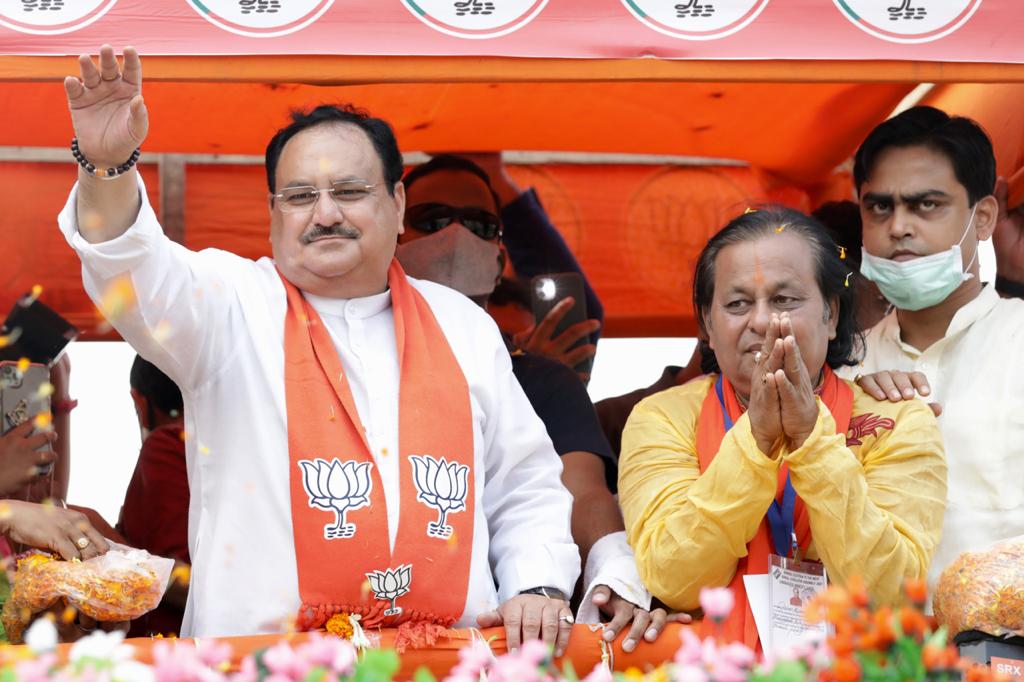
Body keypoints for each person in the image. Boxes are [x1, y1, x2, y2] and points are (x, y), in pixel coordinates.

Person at [58, 46, 580, 652]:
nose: (325, 213)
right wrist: (107, 167)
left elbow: (522, 482)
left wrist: (538, 584)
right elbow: (129, 264)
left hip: (441, 664)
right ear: (273, 214)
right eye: (300, 196)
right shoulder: (229, 307)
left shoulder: (461, 325)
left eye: (350, 190)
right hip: (265, 664)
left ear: (398, 204)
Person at [394, 155, 690, 652]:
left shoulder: (541, 380)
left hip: (504, 637)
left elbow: (582, 491)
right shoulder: (342, 366)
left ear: (499, 252)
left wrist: (615, 571)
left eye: (479, 224)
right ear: (392, 232)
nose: (456, 235)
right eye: (434, 221)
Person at [618, 207, 947, 650]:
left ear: (831, 315)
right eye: (736, 304)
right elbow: (675, 577)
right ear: (708, 327)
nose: (761, 321)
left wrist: (812, 441)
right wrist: (756, 441)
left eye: (784, 300)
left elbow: (888, 591)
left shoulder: (897, 420)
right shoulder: (662, 418)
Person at [840, 106, 1024, 589]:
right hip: (870, 657)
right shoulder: (839, 374)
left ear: (982, 218)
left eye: (926, 205)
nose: (898, 225)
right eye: (879, 206)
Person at [118, 355, 189, 636]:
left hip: (173, 648)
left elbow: (185, 581)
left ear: (140, 401)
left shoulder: (169, 444)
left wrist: (111, 549)